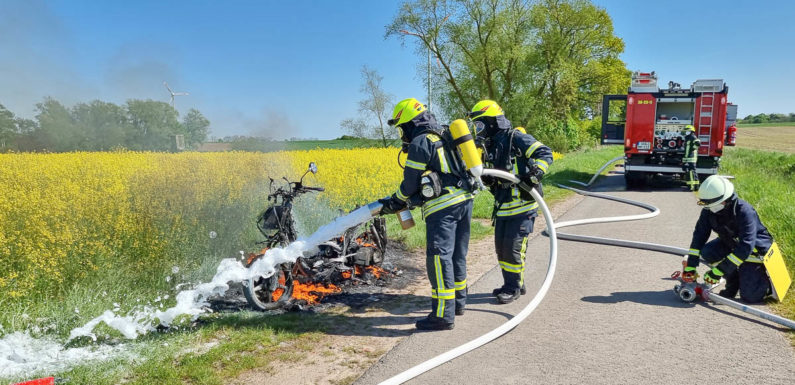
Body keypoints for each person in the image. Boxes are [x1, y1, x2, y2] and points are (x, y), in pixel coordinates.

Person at [379, 98, 474, 330]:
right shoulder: (443, 133)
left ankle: (442, 316)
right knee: (457, 255)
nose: (402, 134)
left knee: (439, 259)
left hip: (443, 208)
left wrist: (395, 201)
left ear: (410, 123)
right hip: (465, 201)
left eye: (402, 128)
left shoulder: (421, 141)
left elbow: (410, 183)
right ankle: (458, 303)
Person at [469, 100, 554, 304]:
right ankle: (514, 282)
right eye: (475, 126)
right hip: (503, 207)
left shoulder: (516, 138)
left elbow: (545, 153)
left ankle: (513, 287)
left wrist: (535, 173)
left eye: (480, 125)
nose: (478, 130)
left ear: (492, 122)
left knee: (514, 248)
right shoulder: (488, 146)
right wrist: (488, 180)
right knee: (502, 249)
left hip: (523, 206)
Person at [682, 175, 773, 302]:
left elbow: (746, 247)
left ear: (726, 199)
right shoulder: (709, 210)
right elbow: (699, 236)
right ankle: (733, 283)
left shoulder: (744, 211)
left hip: (754, 251)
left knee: (751, 297)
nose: (710, 208)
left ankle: (766, 284)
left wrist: (719, 271)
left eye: (712, 204)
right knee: (708, 252)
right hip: (732, 243)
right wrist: (691, 265)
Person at [682, 125, 700, 191]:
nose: (686, 132)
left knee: (692, 172)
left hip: (691, 158)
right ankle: (692, 186)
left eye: (687, 131)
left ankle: (693, 187)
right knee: (689, 172)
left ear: (691, 131)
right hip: (688, 158)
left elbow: (698, 143)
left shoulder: (693, 137)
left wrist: (693, 148)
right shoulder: (687, 138)